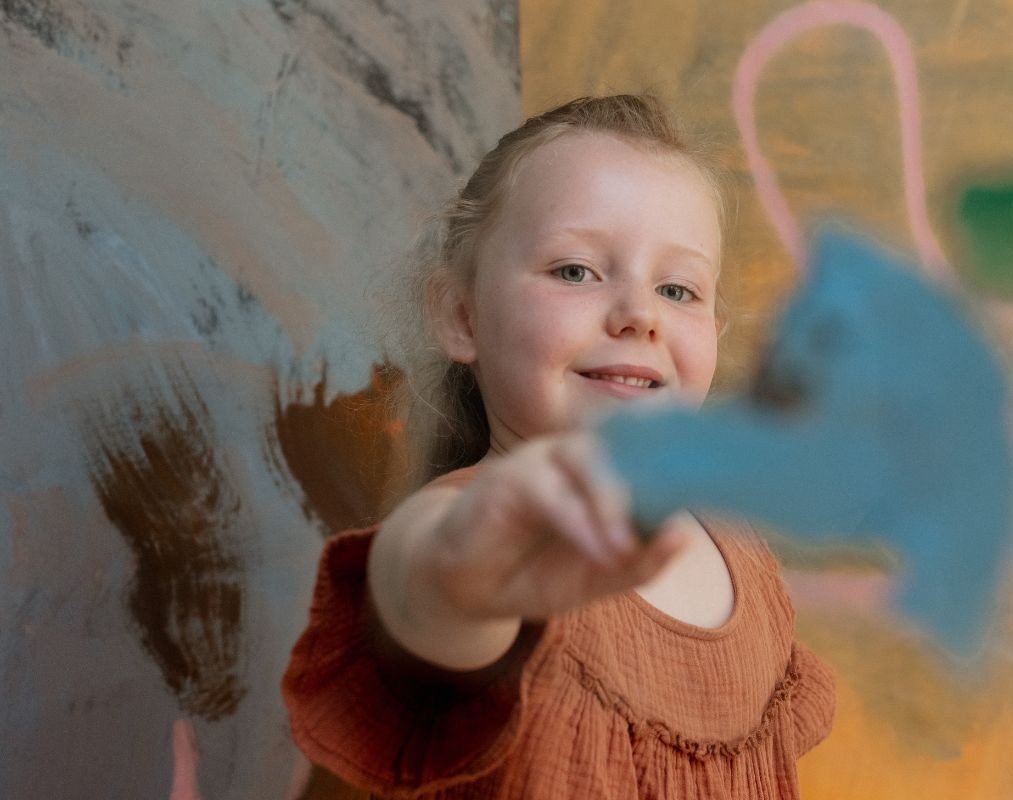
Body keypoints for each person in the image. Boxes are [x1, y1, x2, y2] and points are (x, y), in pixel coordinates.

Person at [282, 94, 836, 799]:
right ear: (461, 316)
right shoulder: (476, 523)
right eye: (575, 271)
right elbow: (416, 587)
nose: (640, 314)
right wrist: (456, 578)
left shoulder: (737, 545)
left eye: (678, 288)